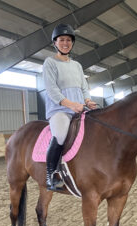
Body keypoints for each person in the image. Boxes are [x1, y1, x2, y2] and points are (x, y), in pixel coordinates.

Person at [43, 23, 97, 191]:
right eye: (62, 40)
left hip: (80, 109)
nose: (65, 43)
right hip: (60, 111)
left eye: (68, 40)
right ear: (55, 42)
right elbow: (52, 90)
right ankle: (51, 174)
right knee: (60, 134)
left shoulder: (77, 65)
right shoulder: (50, 63)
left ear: (72, 43)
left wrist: (88, 101)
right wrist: (71, 104)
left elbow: (84, 88)